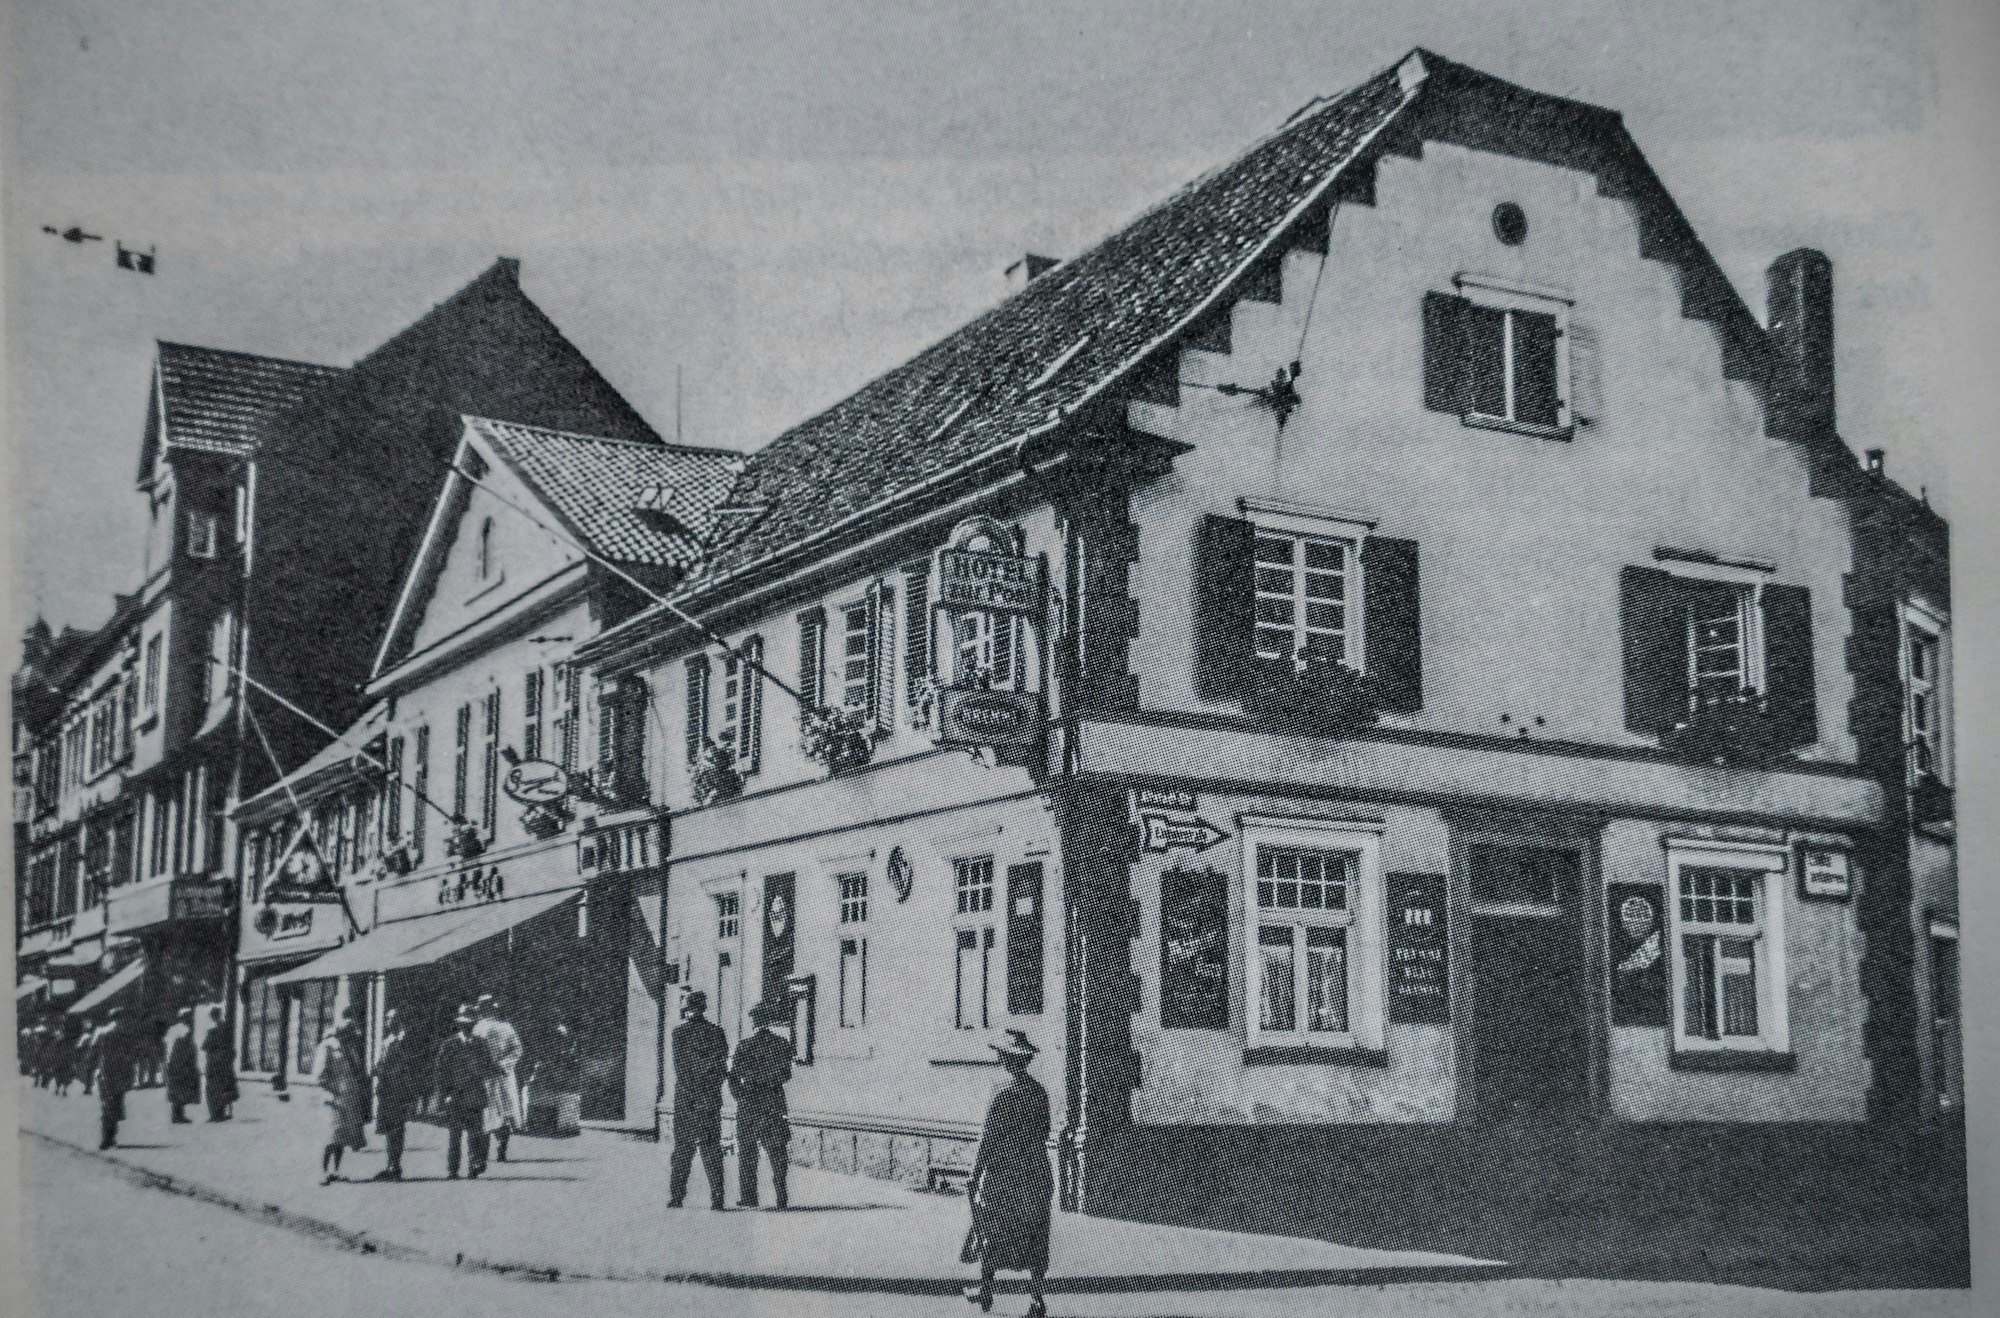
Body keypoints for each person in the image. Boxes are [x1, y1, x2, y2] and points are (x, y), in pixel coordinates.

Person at [963, 1031, 1053, 1317]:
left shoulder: (1001, 1091)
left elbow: (989, 1138)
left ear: (1006, 1059)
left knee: (993, 1229)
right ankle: (1036, 1299)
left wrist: (975, 1173)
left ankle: (986, 1290)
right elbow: (1044, 1131)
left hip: (1004, 1174)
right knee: (1035, 1234)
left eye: (1002, 1055)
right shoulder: (1039, 1092)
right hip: (1035, 1172)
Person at [666, 990, 730, 1210]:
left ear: (687, 1009)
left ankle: (677, 1197)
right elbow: (721, 1068)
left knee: (683, 1149)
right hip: (709, 1099)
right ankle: (717, 1199)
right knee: (711, 1149)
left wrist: (693, 1092)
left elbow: (681, 1068)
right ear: (703, 1008)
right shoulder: (717, 1033)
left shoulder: (679, 1033)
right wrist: (709, 1090)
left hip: (686, 1100)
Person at [729, 1000, 794, 1210]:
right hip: (772, 1103)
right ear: (769, 1021)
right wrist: (769, 1082)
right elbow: (786, 1074)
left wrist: (740, 1095)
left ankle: (749, 1197)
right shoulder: (782, 1044)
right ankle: (781, 1197)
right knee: (777, 1152)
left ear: (754, 1022)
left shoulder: (744, 1046)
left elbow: (733, 1076)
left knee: (747, 1152)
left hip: (748, 1104)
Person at [434, 1007, 499, 1179]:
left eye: (469, 1024)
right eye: (463, 1024)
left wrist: (497, 1071)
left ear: (474, 1025)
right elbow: (441, 1071)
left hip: (475, 1095)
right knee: (454, 1135)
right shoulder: (449, 1044)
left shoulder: (480, 1044)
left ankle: (474, 1166)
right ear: (459, 1025)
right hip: (455, 1095)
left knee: (475, 1133)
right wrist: (445, 1094)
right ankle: (453, 1169)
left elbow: (488, 1066)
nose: (466, 1027)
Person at [312, 1019, 368, 1184]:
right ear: (340, 1032)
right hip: (333, 1099)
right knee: (331, 1136)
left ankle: (336, 1170)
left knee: (342, 1137)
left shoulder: (350, 1048)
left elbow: (356, 1071)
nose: (352, 1036)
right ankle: (323, 1171)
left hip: (349, 1098)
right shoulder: (328, 1047)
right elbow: (319, 1075)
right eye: (349, 1033)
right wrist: (332, 1090)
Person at [471, 994, 524, 1163]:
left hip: (502, 1077)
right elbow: (472, 1051)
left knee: (505, 1112)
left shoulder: (506, 1027)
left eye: (486, 1008)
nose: (484, 1011)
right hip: (484, 1076)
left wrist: (503, 1065)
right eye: (482, 1008)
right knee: (486, 1111)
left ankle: (502, 1147)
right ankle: (483, 1150)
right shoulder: (476, 1027)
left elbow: (517, 1049)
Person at [371, 1009, 422, 1180]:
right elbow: (382, 1063)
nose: (389, 1022)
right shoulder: (388, 1040)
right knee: (390, 1128)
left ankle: (394, 1166)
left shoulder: (402, 1040)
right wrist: (377, 1069)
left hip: (397, 1091)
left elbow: (405, 1067)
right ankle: (392, 1164)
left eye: (392, 1019)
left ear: (399, 1021)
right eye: (387, 1019)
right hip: (387, 1090)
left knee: (396, 1128)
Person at [94, 1008, 139, 1150]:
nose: (125, 1021)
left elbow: (94, 1054)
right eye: (123, 1018)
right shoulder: (115, 1034)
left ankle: (110, 1138)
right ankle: (107, 1139)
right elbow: (128, 1056)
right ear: (118, 1018)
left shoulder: (106, 1032)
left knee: (111, 1106)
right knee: (111, 1106)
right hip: (112, 1074)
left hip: (110, 1074)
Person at [163, 1007, 201, 1123]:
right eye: (187, 1017)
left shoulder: (178, 1029)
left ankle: (178, 1114)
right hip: (179, 1064)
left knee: (179, 1089)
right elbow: (179, 1047)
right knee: (180, 1089)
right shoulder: (182, 1030)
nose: (189, 1019)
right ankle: (177, 1115)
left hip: (177, 1063)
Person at [202, 1007, 238, 1121]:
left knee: (218, 1088)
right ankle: (217, 1113)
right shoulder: (221, 1029)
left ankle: (218, 1113)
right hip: (219, 1064)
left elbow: (205, 1046)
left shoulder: (218, 1030)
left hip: (218, 1064)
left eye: (214, 1016)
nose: (214, 1018)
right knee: (218, 1088)